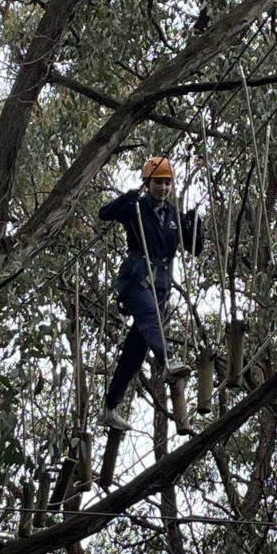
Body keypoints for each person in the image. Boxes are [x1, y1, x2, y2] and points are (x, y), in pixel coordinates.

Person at [99, 155, 204, 431]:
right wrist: (127, 198)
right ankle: (167, 358)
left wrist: (196, 224)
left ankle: (110, 405)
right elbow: (104, 213)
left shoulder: (173, 215)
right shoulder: (135, 207)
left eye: (168, 183)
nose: (164, 188)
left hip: (160, 287)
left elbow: (195, 248)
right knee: (149, 319)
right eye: (159, 182)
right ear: (148, 183)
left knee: (136, 351)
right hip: (135, 281)